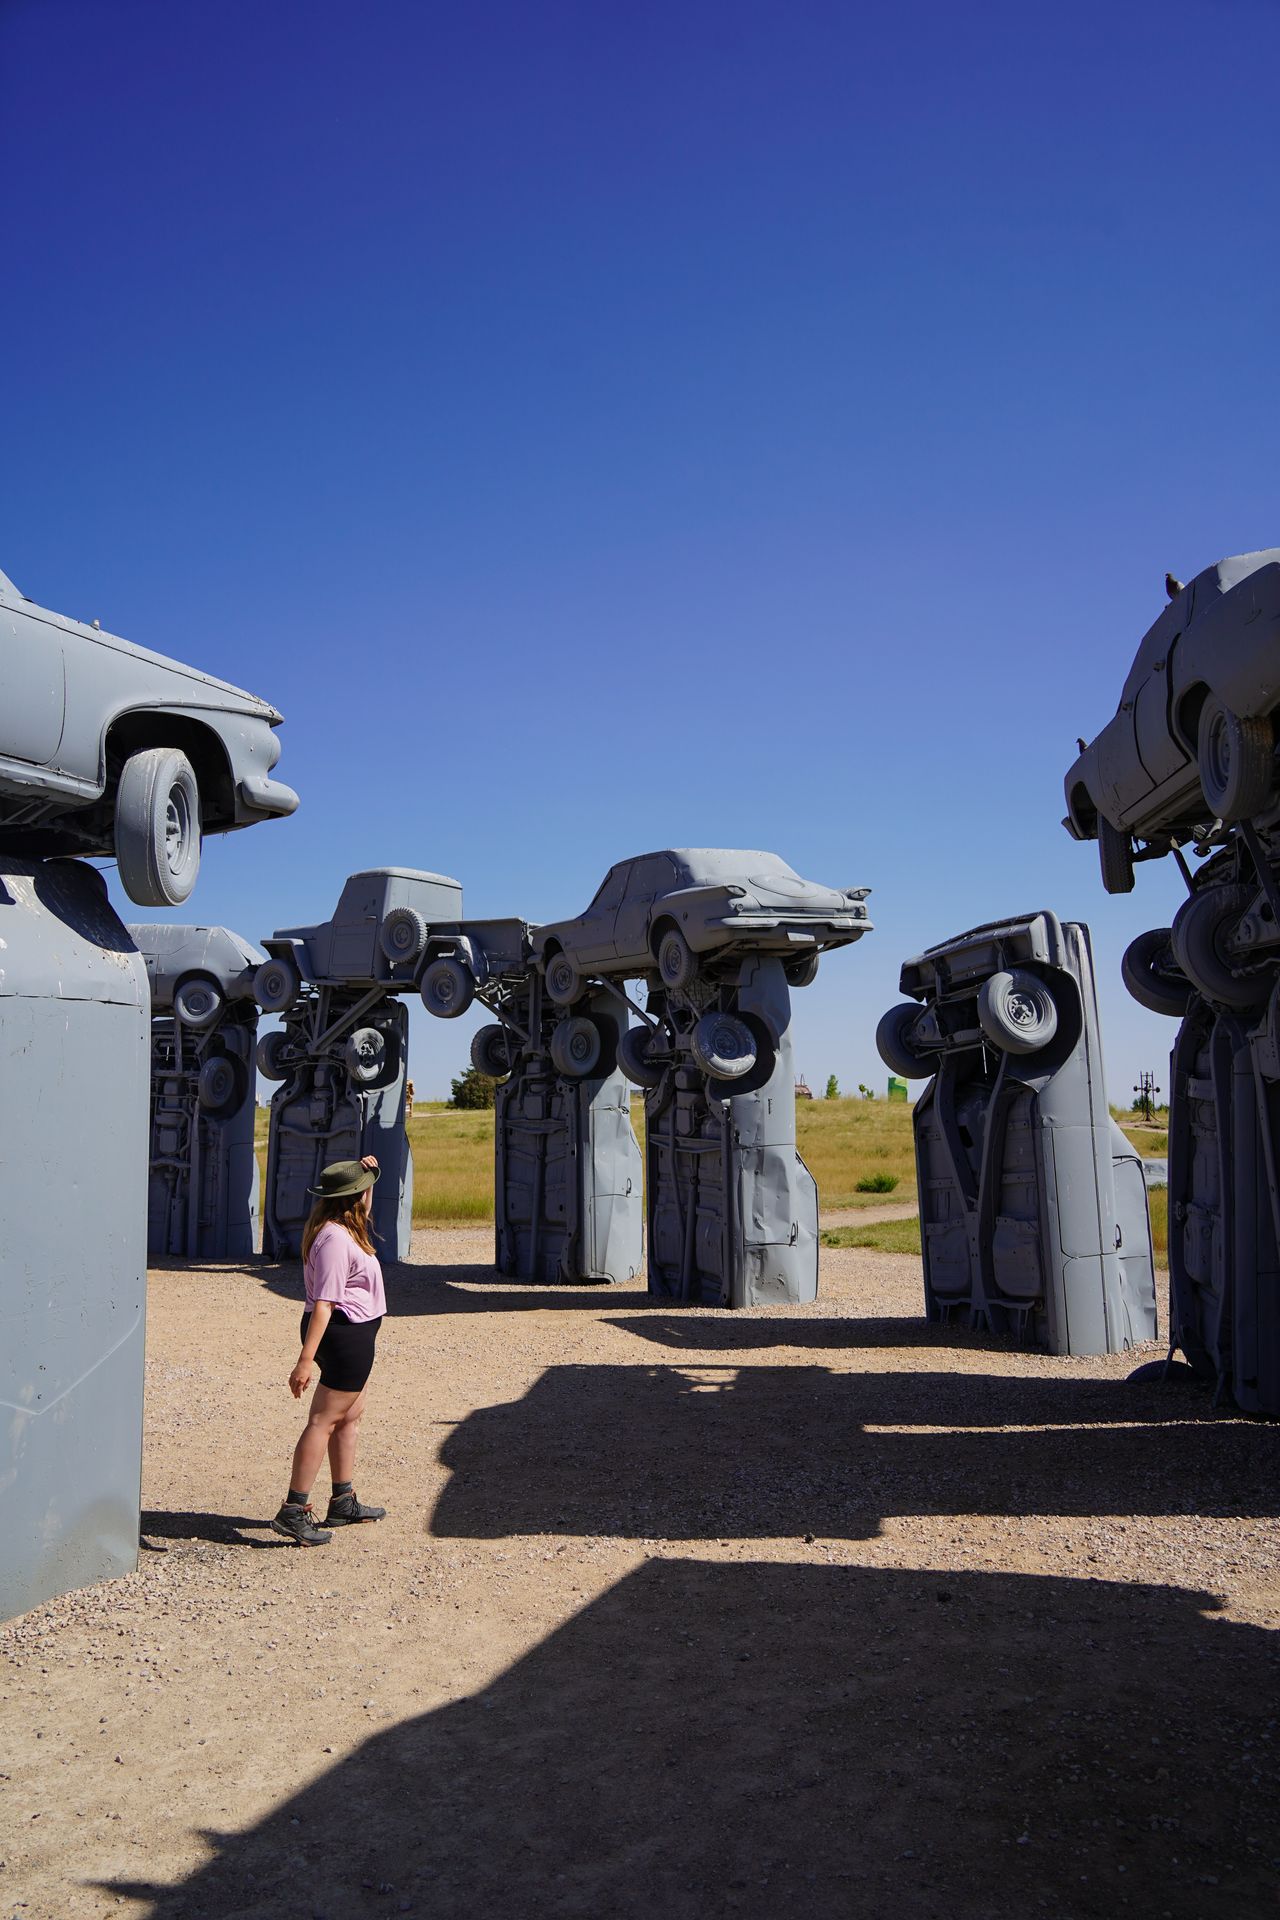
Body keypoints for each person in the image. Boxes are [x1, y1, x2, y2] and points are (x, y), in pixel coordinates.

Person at [272, 1155, 388, 1546]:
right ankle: (293, 1510)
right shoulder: (336, 1239)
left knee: (349, 1418)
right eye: (364, 1190)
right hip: (341, 1335)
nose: (368, 1196)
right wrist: (305, 1361)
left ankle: (343, 1500)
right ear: (354, 1198)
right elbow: (324, 1302)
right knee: (322, 1421)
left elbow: (365, 1196)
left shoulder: (341, 1226)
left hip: (353, 1334)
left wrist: (371, 1172)